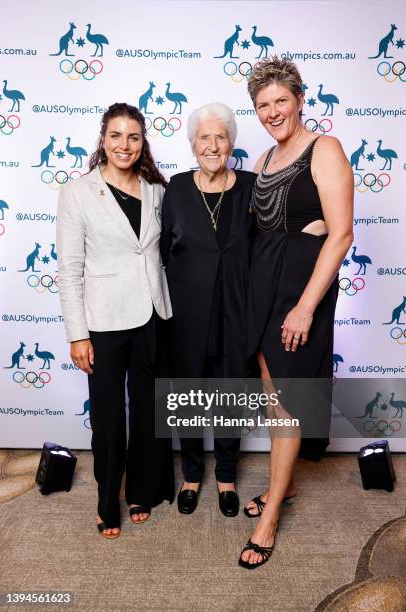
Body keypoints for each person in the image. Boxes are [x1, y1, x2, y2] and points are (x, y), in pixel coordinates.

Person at [238, 57, 353, 569]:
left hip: (299, 293)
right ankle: (280, 488)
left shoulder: (323, 148)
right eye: (263, 105)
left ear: (301, 99)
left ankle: (270, 519)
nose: (272, 111)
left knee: (285, 400)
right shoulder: (264, 159)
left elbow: (342, 232)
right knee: (270, 395)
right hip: (263, 289)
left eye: (281, 100)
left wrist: (305, 307)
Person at [57, 103, 174, 539]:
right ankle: (109, 501)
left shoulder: (157, 189)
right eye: (116, 135)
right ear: (102, 139)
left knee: (148, 411)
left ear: (143, 142)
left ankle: (142, 489)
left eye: (133, 137)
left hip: (152, 316)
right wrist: (77, 334)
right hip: (102, 321)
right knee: (108, 417)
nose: (124, 145)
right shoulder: (78, 192)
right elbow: (69, 268)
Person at [160, 103, 256, 517]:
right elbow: (162, 252)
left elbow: (272, 246)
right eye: (205, 137)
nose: (213, 145)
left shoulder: (253, 185)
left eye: (221, 137)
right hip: (187, 318)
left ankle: (227, 477)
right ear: (193, 144)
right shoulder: (177, 189)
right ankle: (193, 475)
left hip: (237, 314)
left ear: (232, 143)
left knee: (231, 396)